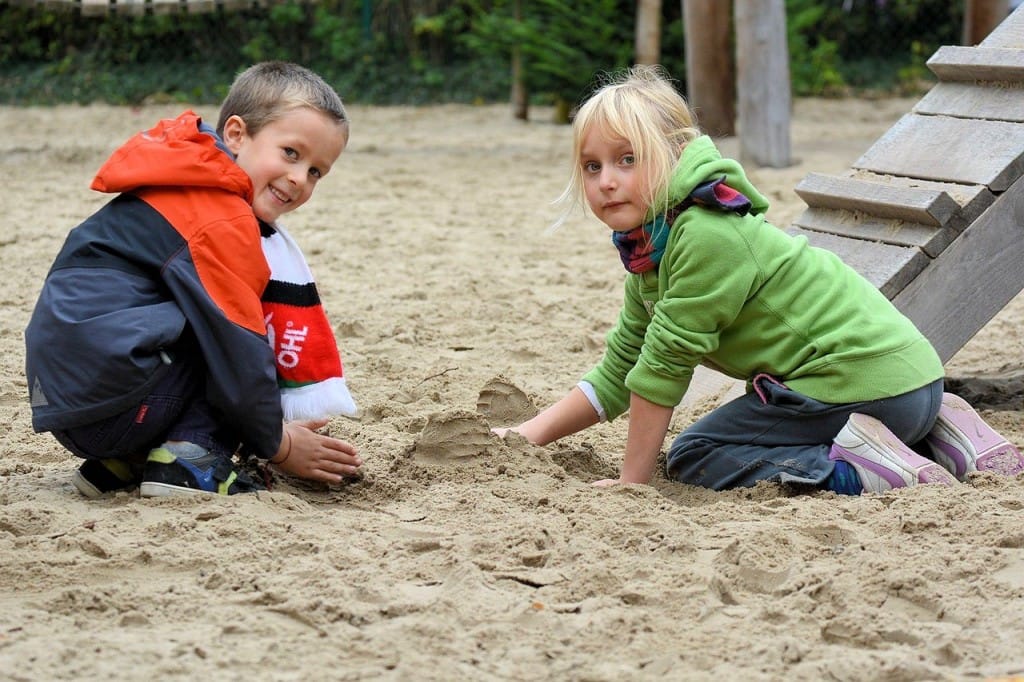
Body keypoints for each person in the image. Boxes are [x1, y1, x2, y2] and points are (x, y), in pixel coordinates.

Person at [493, 64, 1024, 495]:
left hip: (864, 387)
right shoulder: (655, 250)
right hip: (911, 381)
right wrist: (526, 436)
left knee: (697, 455)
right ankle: (950, 431)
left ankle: (864, 469)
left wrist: (633, 483)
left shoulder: (706, 236)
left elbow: (661, 370)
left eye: (627, 160)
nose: (607, 181)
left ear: (674, 154)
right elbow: (620, 369)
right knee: (736, 427)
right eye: (592, 166)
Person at [25, 61, 363, 497]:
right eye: (291, 153)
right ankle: (189, 459)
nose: (299, 178)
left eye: (316, 171)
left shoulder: (185, 180)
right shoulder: (220, 217)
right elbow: (237, 354)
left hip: (69, 401)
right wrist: (280, 444)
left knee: (198, 319)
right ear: (237, 135)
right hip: (113, 401)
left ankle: (124, 462)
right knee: (230, 341)